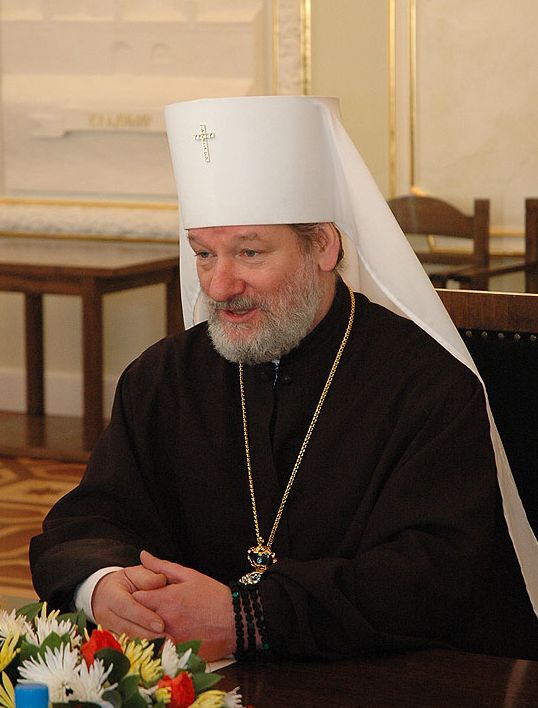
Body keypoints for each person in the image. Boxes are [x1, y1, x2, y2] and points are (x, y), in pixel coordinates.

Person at [30, 96, 538, 662]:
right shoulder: (161, 379)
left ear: (323, 246)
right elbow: (89, 519)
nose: (219, 286)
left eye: (249, 252)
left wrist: (250, 617)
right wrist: (103, 584)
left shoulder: (429, 385)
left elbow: (437, 574)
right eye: (204, 254)